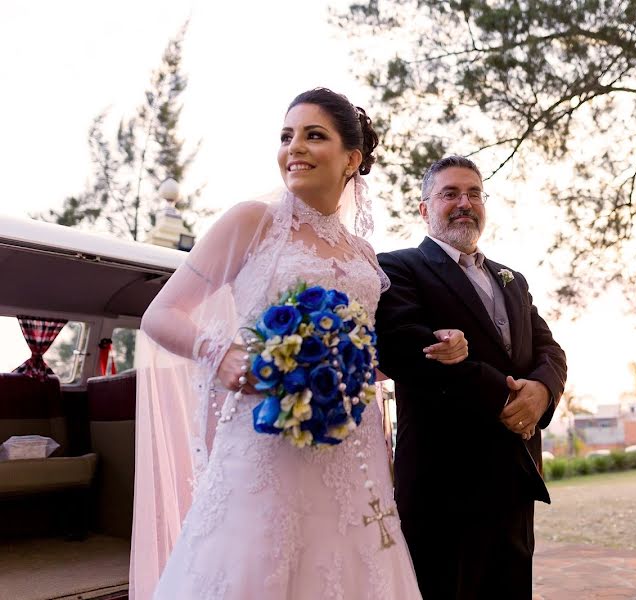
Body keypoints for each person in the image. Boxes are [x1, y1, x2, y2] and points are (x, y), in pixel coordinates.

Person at [130, 88, 468, 600]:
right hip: (263, 442)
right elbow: (161, 314)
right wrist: (219, 353)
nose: (296, 148)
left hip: (351, 448)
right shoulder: (251, 222)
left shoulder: (364, 256)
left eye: (314, 136)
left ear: (352, 159)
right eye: (287, 136)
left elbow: (371, 353)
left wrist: (438, 344)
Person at [375, 155, 568, 599]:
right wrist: (507, 399)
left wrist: (540, 394)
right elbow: (406, 348)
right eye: (449, 193)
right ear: (424, 209)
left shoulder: (513, 280)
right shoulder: (398, 268)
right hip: (442, 487)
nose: (464, 203)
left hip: (516, 477)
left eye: (474, 193)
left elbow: (550, 351)